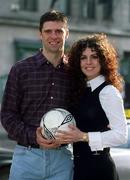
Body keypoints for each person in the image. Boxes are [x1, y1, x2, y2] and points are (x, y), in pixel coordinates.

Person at [0, 10, 73, 180]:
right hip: (27, 157)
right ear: (40, 34)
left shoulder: (75, 72)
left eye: (59, 31)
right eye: (48, 31)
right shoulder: (21, 69)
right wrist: (34, 136)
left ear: (66, 34)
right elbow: (7, 115)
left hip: (62, 159)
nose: (53, 36)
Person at [56, 34, 128, 180]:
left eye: (94, 56)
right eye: (83, 57)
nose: (88, 62)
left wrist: (83, 136)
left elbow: (121, 135)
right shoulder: (80, 90)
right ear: (78, 61)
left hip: (99, 170)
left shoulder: (108, 92)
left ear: (103, 60)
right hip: (77, 167)